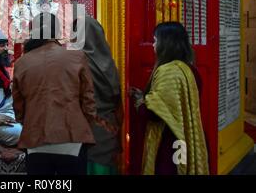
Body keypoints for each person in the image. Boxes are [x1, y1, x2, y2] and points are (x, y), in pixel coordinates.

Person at [12, 12, 115, 175]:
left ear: (33, 32)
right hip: (72, 138)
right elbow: (88, 102)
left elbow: (18, 108)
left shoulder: (21, 63)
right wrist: (83, 126)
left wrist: (31, 123)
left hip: (35, 139)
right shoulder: (76, 57)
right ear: (58, 32)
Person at [130, 21, 209, 175]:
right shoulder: (190, 69)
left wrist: (139, 101)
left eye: (155, 41)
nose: (153, 46)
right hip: (187, 135)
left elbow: (153, 113)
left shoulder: (169, 72)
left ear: (166, 44)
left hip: (169, 142)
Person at [79, 15, 123, 175]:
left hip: (85, 133)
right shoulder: (110, 63)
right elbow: (118, 103)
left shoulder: (77, 63)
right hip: (108, 132)